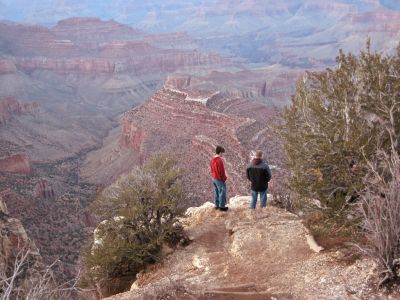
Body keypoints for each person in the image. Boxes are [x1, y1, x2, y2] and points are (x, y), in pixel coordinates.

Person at [210, 145, 228, 211]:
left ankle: (216, 206)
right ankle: (222, 207)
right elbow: (222, 172)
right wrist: (224, 179)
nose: (223, 154)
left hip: (214, 178)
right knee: (222, 192)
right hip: (219, 179)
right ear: (220, 153)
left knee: (216, 192)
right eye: (223, 153)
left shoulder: (212, 159)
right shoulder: (219, 161)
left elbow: (211, 169)